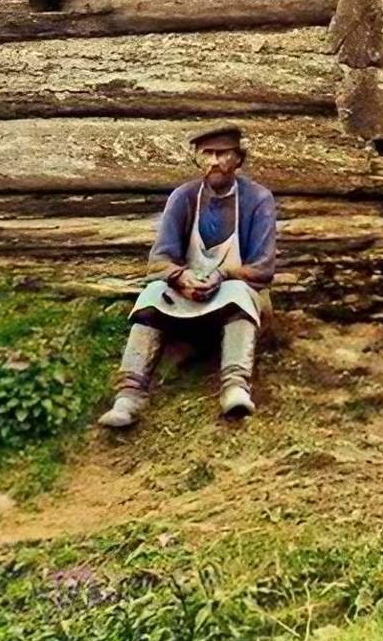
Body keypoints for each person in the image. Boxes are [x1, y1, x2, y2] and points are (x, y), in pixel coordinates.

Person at [97, 123, 277, 428]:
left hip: (236, 297)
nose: (215, 162)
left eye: (223, 154)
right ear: (196, 158)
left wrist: (222, 275)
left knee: (238, 294)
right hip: (187, 295)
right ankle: (129, 396)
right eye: (207, 154)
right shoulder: (184, 197)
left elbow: (263, 268)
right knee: (152, 295)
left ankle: (235, 386)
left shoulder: (257, 199)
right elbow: (158, 261)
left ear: (239, 159)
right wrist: (180, 278)